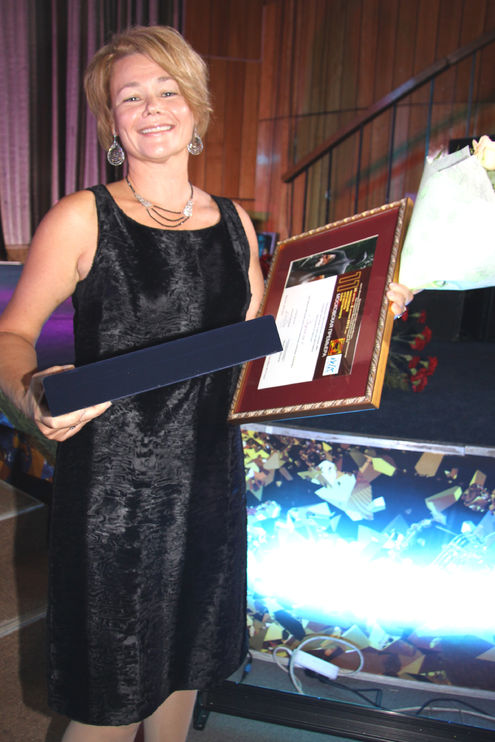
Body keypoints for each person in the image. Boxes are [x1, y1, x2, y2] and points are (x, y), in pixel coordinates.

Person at [0, 26, 413, 742]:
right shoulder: (81, 216)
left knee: (184, 673)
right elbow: (11, 336)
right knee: (111, 702)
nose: (152, 108)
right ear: (111, 120)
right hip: (114, 497)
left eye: (168, 90)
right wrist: (31, 389)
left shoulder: (233, 223)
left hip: (210, 484)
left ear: (195, 107)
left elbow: (260, 347)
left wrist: (367, 313)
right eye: (131, 96)